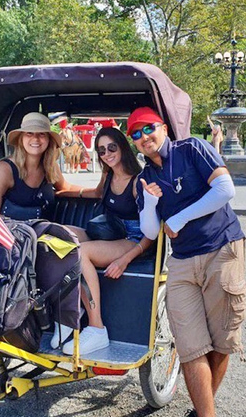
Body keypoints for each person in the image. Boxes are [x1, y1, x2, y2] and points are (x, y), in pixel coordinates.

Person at [129, 107, 246, 417]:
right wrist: (151, 203)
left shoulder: (192, 148)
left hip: (221, 247)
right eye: (136, 134)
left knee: (221, 341)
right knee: (190, 346)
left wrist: (180, 216)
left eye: (148, 128)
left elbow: (225, 189)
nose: (144, 137)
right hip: (181, 260)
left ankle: (201, 410)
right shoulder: (143, 179)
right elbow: (151, 231)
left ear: (163, 128)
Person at [0, 111, 82, 349]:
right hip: (12, 239)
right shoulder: (5, 169)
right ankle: (66, 319)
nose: (35, 139)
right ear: (20, 139)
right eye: (29, 134)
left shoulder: (49, 168)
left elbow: (66, 187)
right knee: (66, 244)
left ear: (49, 140)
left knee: (83, 236)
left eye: (42, 135)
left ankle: (83, 316)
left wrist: (102, 191)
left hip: (42, 238)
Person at [55, 127, 154, 354]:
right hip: (109, 231)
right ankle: (68, 313)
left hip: (135, 239)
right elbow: (97, 193)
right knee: (57, 234)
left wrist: (125, 260)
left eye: (111, 147)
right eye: (101, 150)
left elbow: (152, 232)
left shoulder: (139, 182)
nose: (107, 153)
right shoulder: (109, 174)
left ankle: (97, 328)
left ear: (122, 147)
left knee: (81, 252)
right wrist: (63, 192)